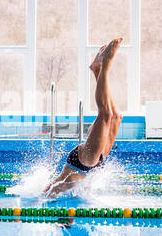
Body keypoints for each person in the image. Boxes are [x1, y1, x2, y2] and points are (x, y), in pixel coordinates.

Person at [42, 38, 122, 199]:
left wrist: (41, 200)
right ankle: (97, 69)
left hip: (82, 163)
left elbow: (45, 195)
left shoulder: (55, 190)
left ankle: (105, 64)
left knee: (105, 114)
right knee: (116, 117)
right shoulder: (64, 189)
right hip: (91, 165)